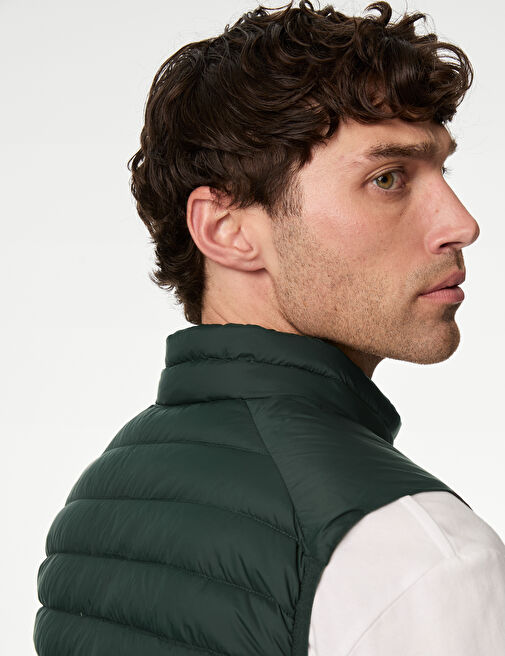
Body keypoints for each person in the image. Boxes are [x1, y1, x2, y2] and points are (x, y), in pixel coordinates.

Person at [33, 1, 505, 654]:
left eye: (440, 171)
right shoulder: (419, 555)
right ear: (227, 230)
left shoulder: (99, 502)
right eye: (388, 178)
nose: (461, 224)